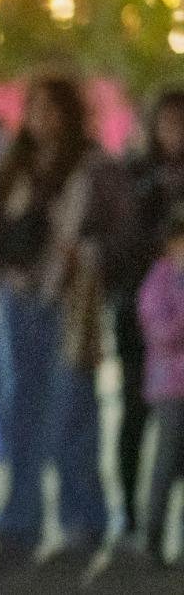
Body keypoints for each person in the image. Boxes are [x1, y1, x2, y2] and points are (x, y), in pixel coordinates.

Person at [0, 75, 124, 551]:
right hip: (19, 295)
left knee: (75, 405)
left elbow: (119, 231)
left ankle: (84, 516)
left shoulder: (93, 167)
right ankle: (21, 513)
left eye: (51, 109)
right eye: (34, 109)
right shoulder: (16, 165)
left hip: (72, 300)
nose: (41, 119)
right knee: (21, 407)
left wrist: (85, 253)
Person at [120, 88, 184, 535]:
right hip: (144, 306)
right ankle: (132, 513)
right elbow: (126, 236)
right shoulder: (138, 175)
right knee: (137, 411)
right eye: (168, 121)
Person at [138, 215, 184, 567]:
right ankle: (152, 540)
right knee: (166, 465)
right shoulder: (159, 281)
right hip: (170, 387)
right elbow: (159, 332)